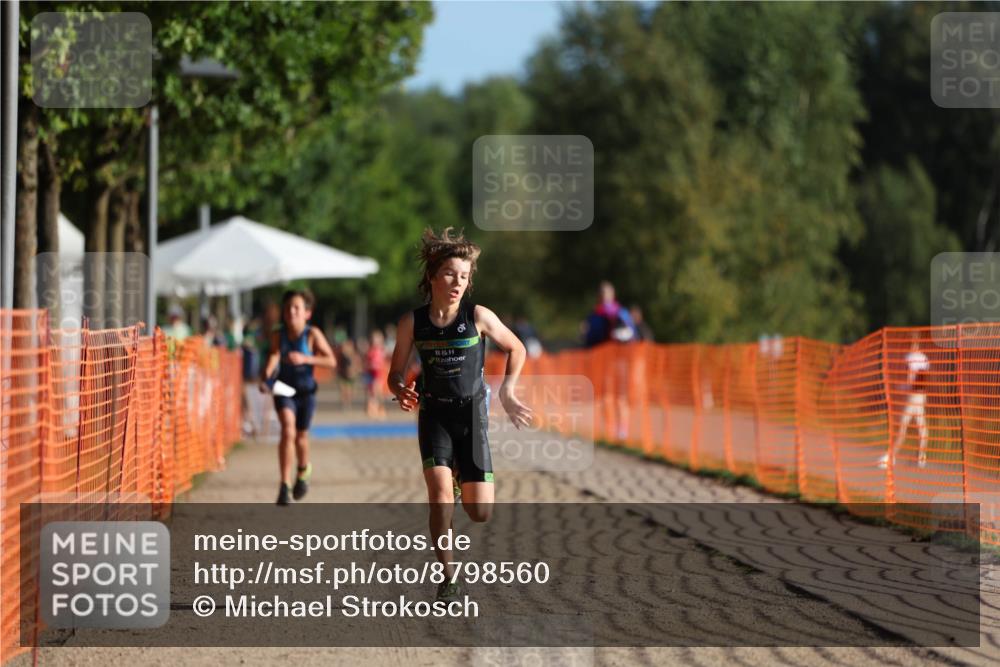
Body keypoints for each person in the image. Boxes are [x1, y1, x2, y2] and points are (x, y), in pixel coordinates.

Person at [387, 227, 533, 602]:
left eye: (464, 277)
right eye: (451, 274)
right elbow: (395, 372)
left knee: (480, 511)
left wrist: (508, 390)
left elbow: (516, 348)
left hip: (471, 417)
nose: (458, 283)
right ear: (433, 275)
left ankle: (458, 483)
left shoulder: (478, 316)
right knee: (439, 498)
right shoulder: (412, 323)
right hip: (434, 415)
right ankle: (448, 577)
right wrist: (400, 388)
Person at [259, 289, 337, 505]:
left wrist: (306, 358)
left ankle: (303, 470)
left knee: (301, 437)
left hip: (306, 391)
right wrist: (267, 371)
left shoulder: (312, 334)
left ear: (307, 313)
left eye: (296, 308)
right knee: (287, 430)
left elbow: (331, 361)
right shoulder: (278, 334)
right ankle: (284, 485)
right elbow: (274, 354)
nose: (291, 312)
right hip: (283, 388)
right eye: (287, 308)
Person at [879, 335, 931, 470]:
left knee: (905, 428)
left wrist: (901, 387)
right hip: (918, 396)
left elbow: (910, 379)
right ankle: (919, 457)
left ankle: (892, 456)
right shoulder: (922, 358)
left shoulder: (911, 358)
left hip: (914, 397)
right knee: (919, 428)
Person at [364, 329, 388, 419]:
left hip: (378, 373)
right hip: (370, 373)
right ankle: (372, 409)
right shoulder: (370, 350)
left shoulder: (381, 350)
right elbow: (366, 362)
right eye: (373, 339)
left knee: (377, 391)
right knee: (371, 392)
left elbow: (382, 362)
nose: (375, 341)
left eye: (377, 339)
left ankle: (381, 409)